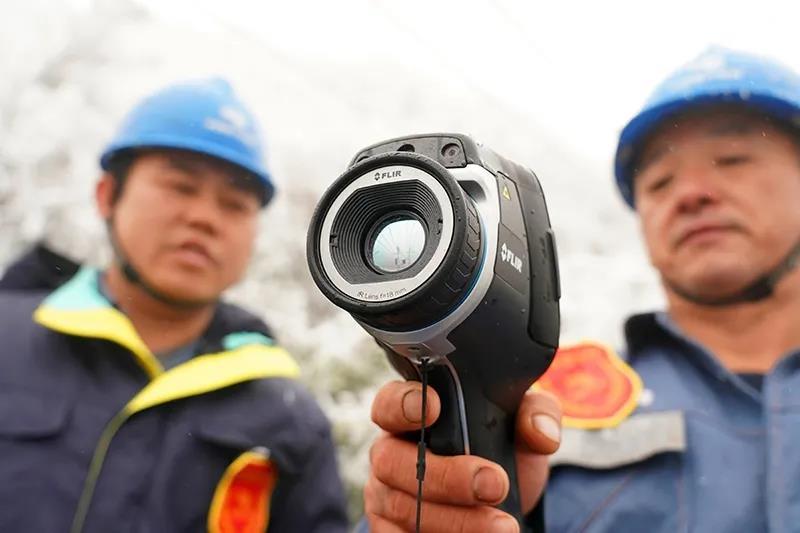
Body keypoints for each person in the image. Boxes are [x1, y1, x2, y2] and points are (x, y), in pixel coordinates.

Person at [362, 46, 800, 532]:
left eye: (732, 159)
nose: (690, 194)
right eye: (660, 182)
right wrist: (452, 504)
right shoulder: (541, 399)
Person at [0, 78, 348, 532]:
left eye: (235, 204)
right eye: (180, 186)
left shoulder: (290, 421)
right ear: (107, 195)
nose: (204, 218)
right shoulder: (7, 339)